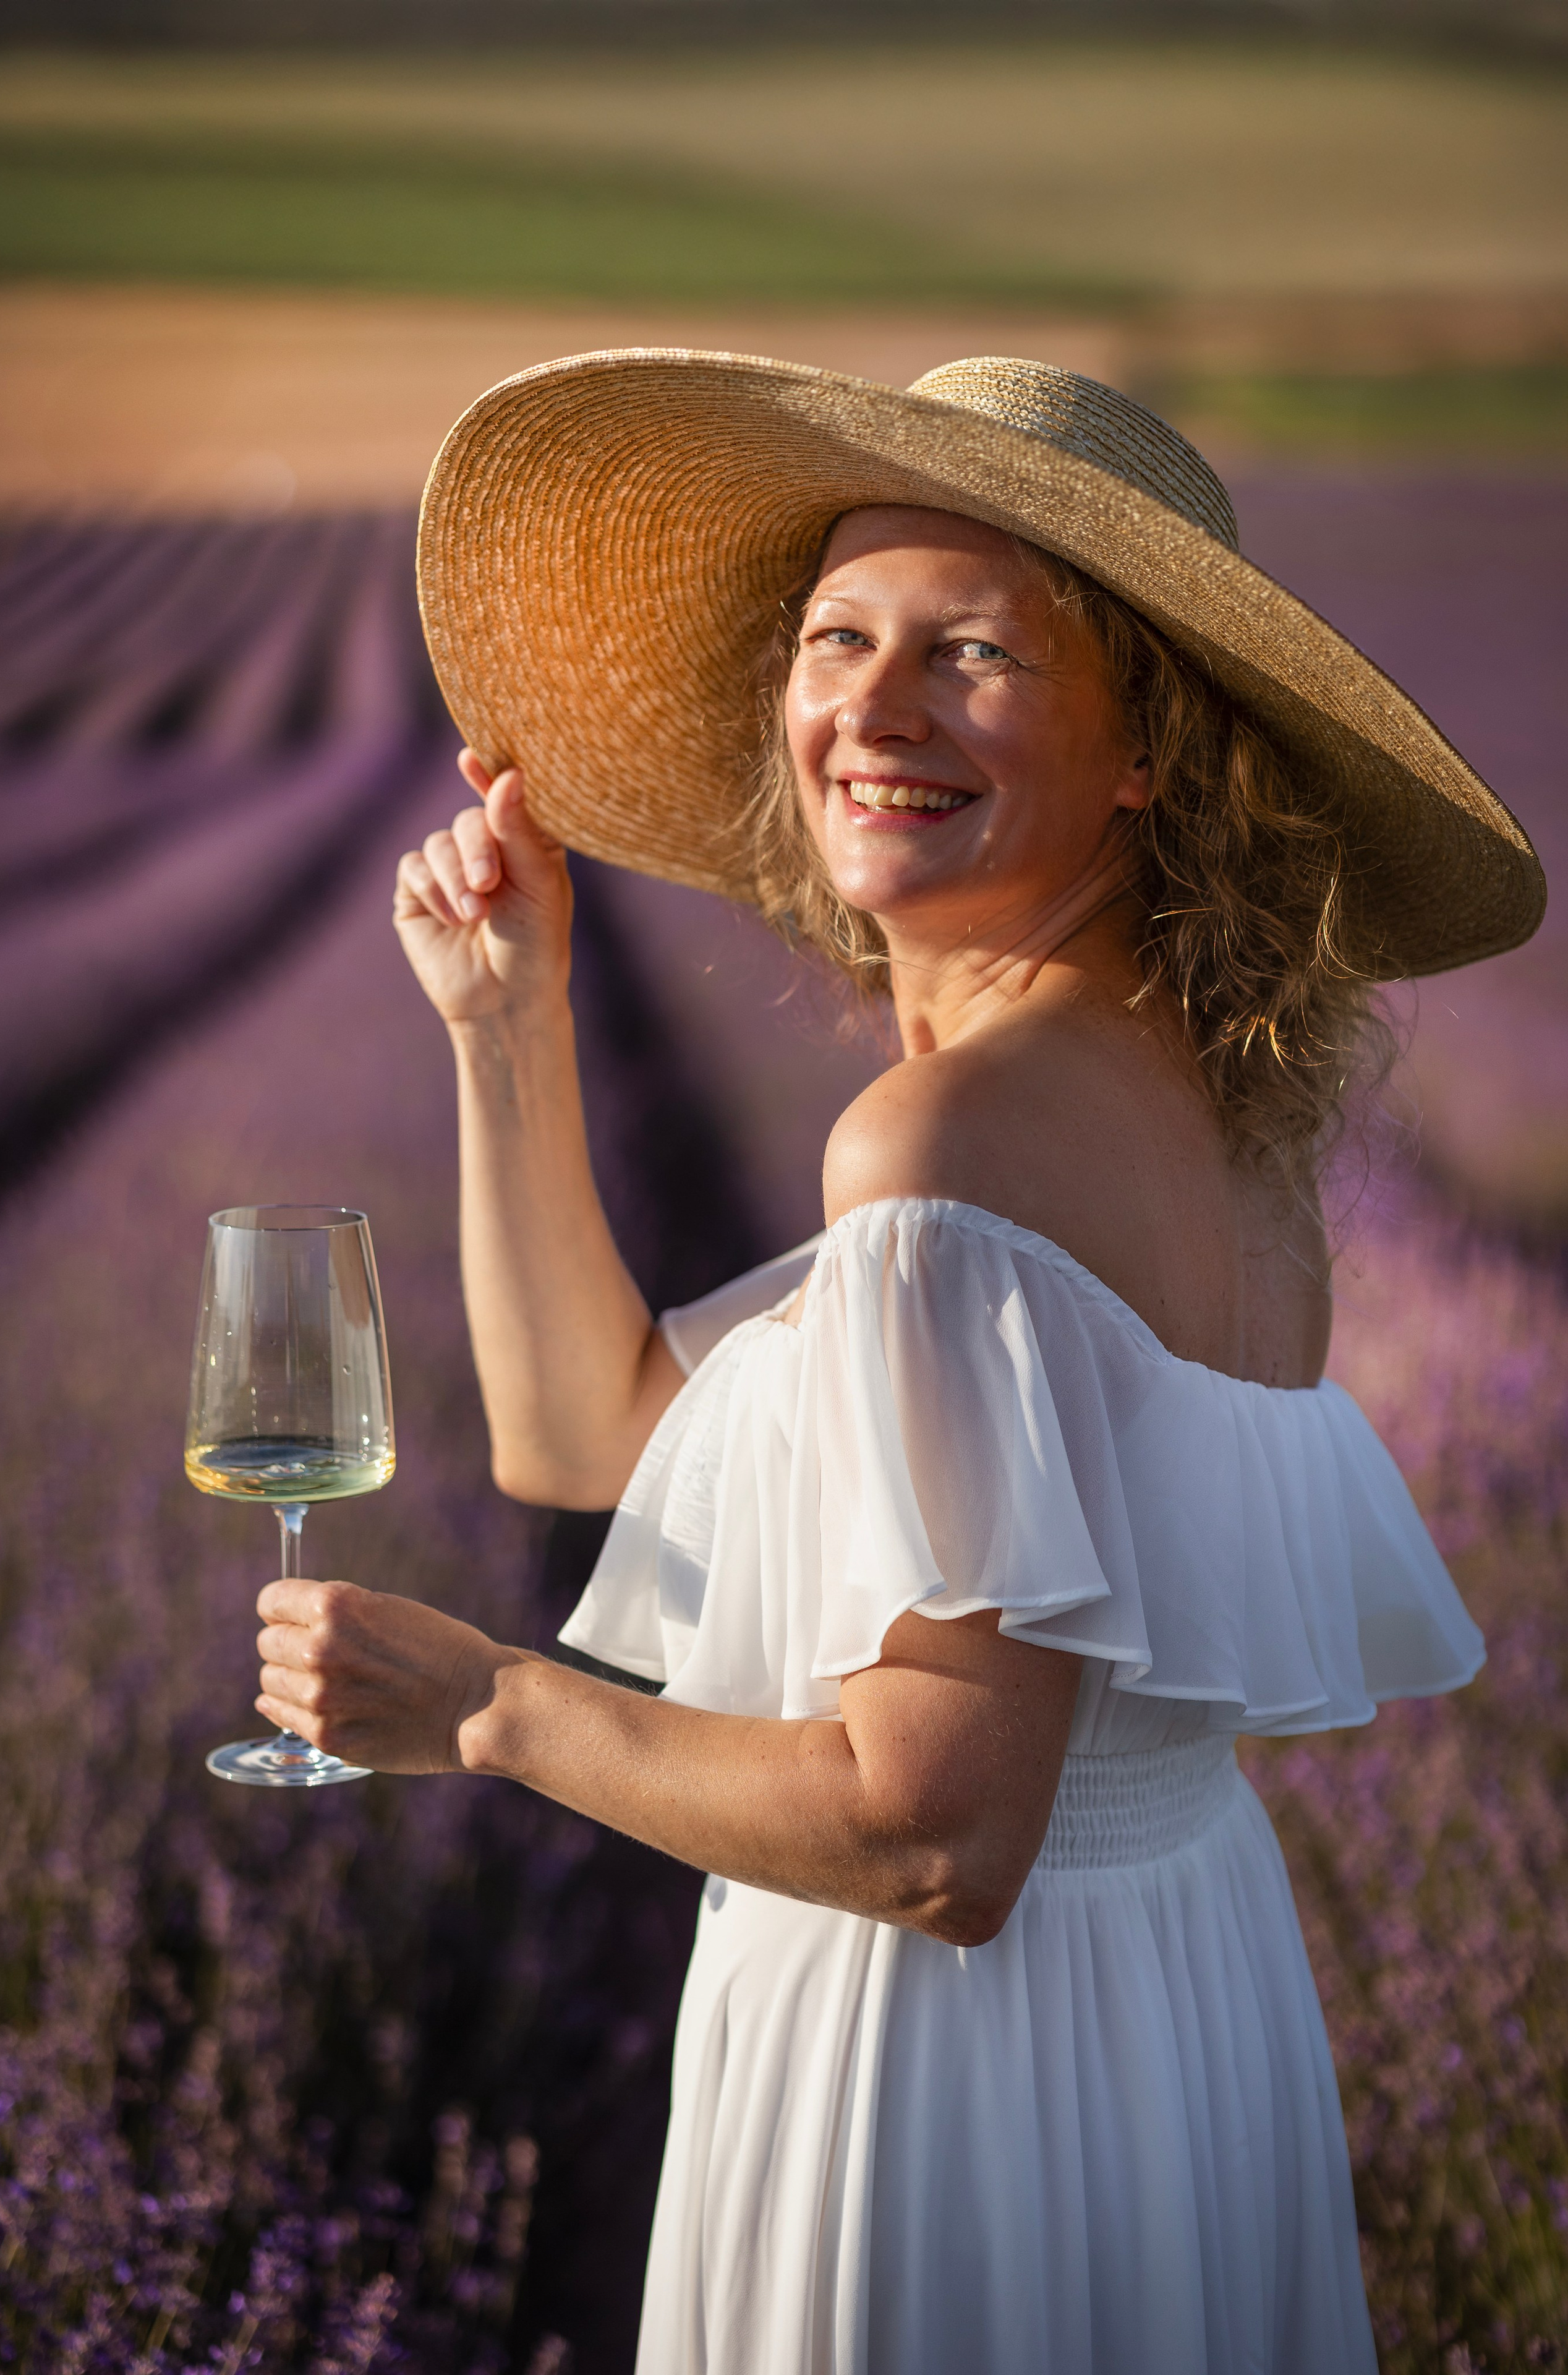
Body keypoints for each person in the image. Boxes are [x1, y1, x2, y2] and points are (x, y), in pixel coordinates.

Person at [253, 354, 1544, 2373]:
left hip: (952, 2071)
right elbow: (590, 1432)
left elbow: (933, 1834)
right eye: (840, 638)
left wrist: (491, 1706)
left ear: (1145, 750)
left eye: (978, 653)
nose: (875, 704)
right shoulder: (1193, 1123)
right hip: (1171, 2021)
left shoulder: (951, 1153)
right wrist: (511, 1026)